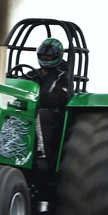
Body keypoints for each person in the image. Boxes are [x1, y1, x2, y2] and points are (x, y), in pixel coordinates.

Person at [25, 37, 69, 170]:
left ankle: (43, 156)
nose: (45, 58)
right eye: (43, 55)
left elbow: (58, 98)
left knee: (41, 115)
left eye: (49, 56)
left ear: (56, 57)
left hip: (53, 113)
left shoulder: (63, 77)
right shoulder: (30, 75)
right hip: (29, 109)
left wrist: (33, 97)